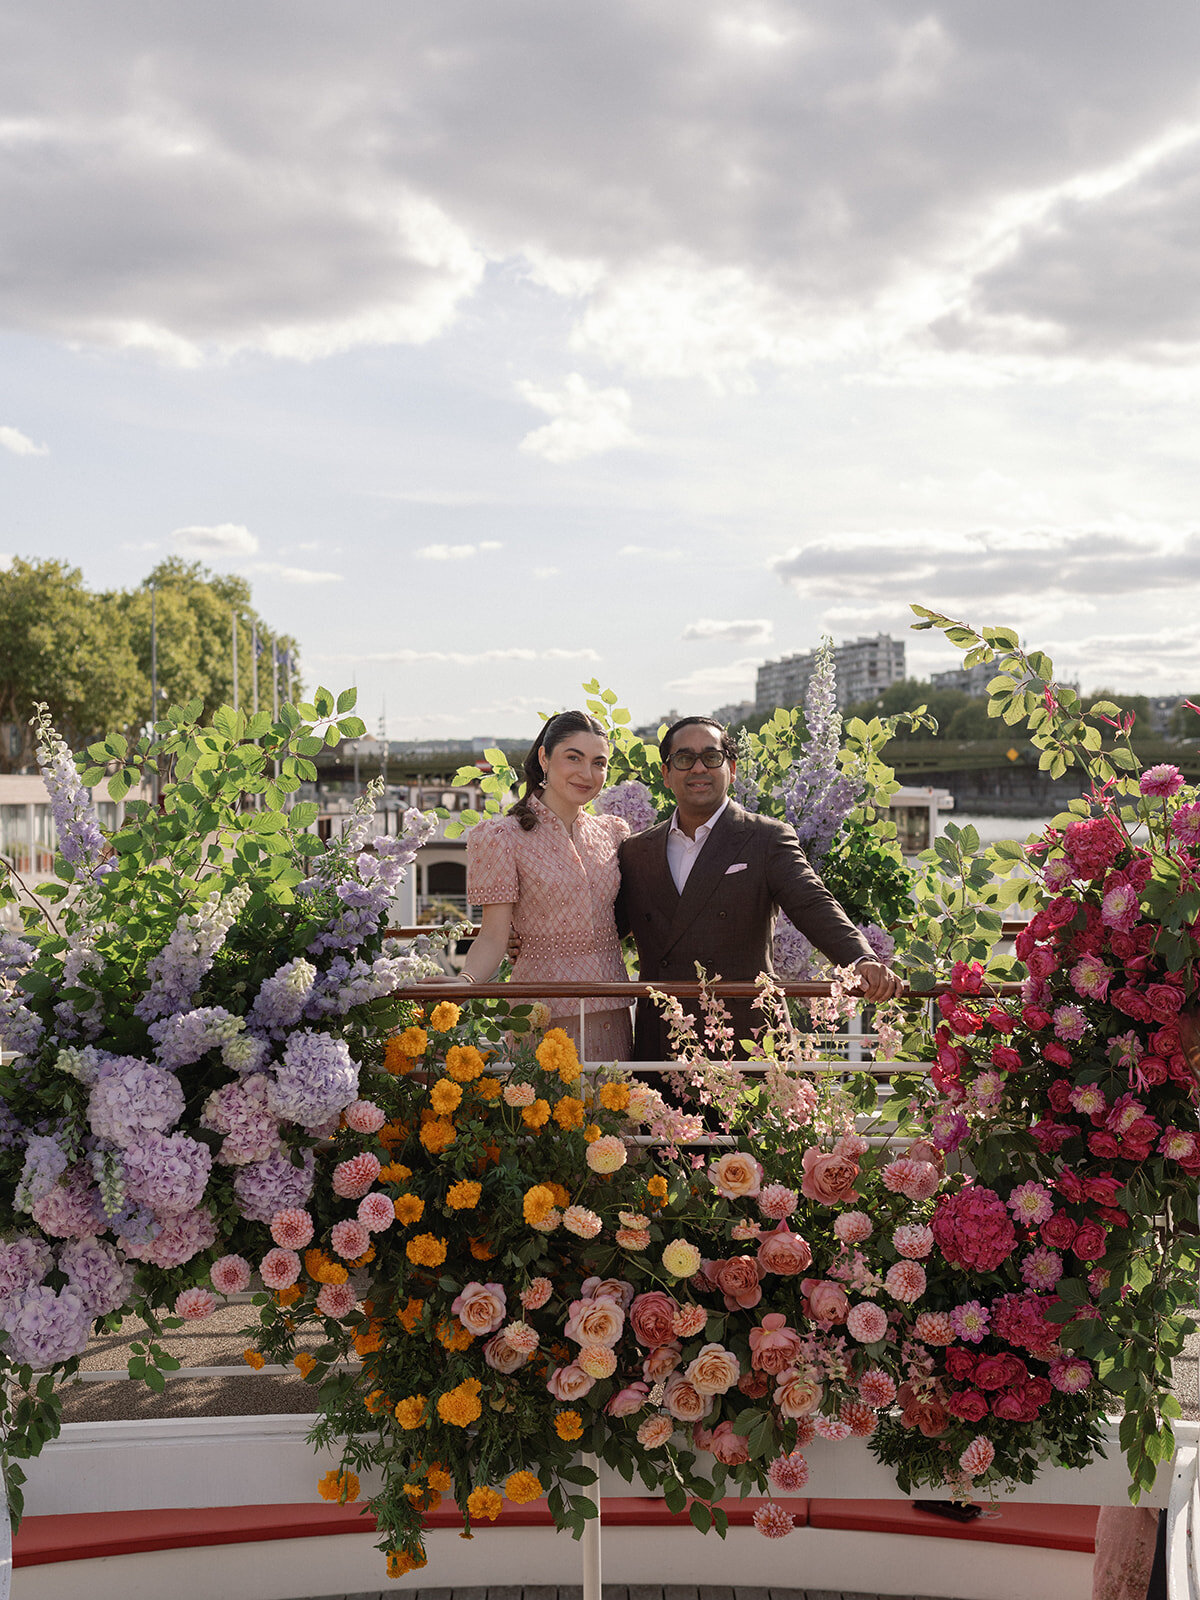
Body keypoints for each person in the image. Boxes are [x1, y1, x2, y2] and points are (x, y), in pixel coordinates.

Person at [618, 715, 903, 1060]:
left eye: (711, 757)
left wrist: (861, 959)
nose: (698, 769)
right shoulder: (636, 850)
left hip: (746, 1037)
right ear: (666, 773)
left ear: (732, 768)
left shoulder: (766, 838)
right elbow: (603, 929)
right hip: (659, 1038)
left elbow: (812, 903)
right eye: (683, 759)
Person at [461, 710, 633, 1060]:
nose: (587, 774)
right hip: (539, 1010)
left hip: (612, 1009)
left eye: (598, 763)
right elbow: (493, 936)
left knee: (614, 1112)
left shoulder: (614, 834)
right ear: (544, 757)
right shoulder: (501, 837)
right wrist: (461, 985)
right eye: (574, 758)